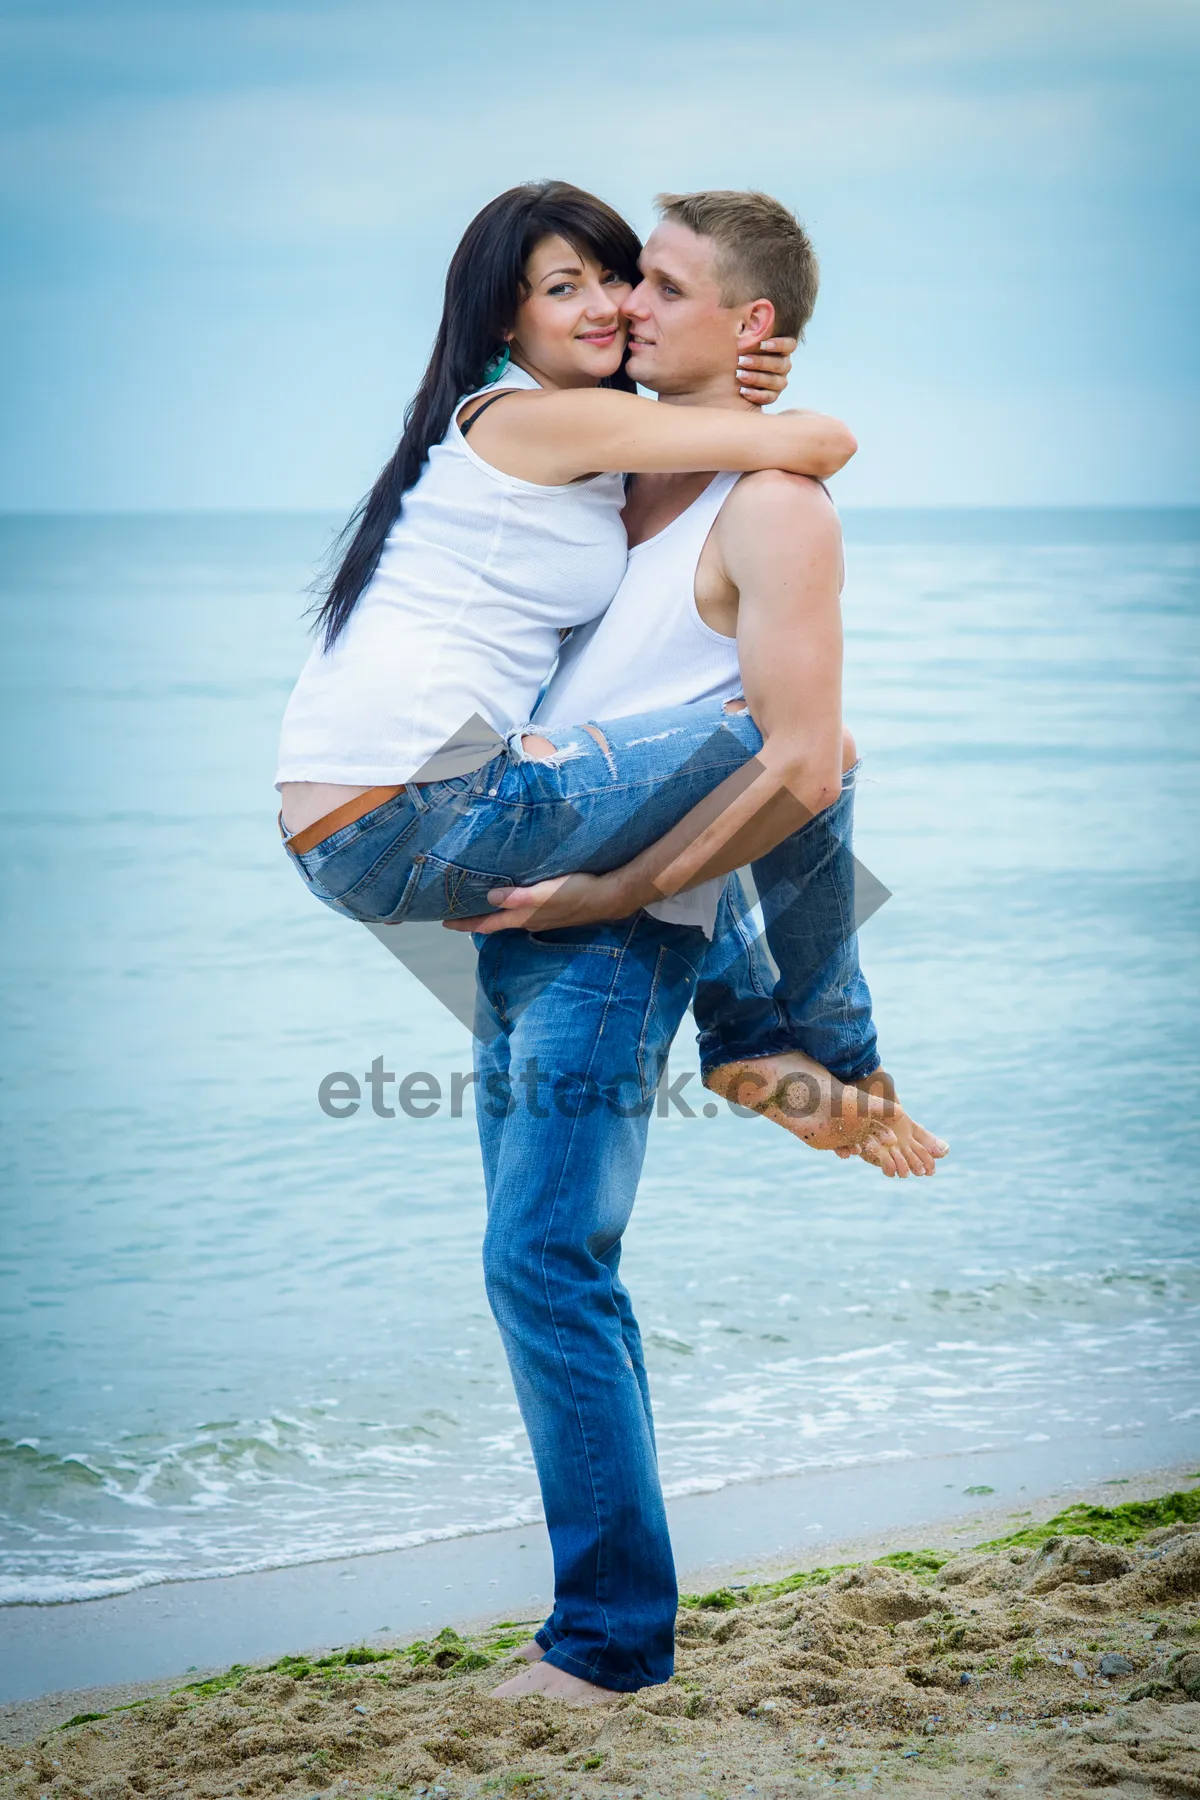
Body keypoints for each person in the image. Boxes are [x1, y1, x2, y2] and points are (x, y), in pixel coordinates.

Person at [447, 190, 946, 1709]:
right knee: (536, 1266)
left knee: (547, 1264)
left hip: (616, 930)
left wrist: (621, 901)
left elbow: (804, 764)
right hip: (531, 919)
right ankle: (769, 1042)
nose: (621, 307)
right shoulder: (624, 477)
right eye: (610, 283)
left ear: (749, 329)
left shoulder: (772, 507)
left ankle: (607, 1648)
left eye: (658, 286)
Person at [277, 179, 908, 1161]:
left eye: (631, 281)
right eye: (570, 288)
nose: (617, 307)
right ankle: (816, 1048)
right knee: (803, 747)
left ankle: (764, 1044)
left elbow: (717, 452)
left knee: (734, 752)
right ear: (507, 316)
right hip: (436, 808)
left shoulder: (589, 453)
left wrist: (738, 373)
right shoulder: (543, 425)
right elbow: (825, 442)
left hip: (403, 818)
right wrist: (754, 378)